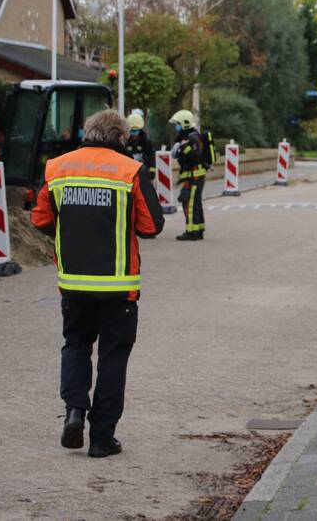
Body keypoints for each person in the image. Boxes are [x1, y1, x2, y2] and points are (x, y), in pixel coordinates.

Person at [30, 109, 165, 457]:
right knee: (112, 358)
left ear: (87, 132)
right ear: (122, 138)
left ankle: (74, 410)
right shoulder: (130, 171)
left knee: (75, 344)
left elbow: (41, 218)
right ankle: (102, 439)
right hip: (118, 286)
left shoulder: (57, 167)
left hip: (73, 283)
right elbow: (151, 227)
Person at [169, 109, 207, 241]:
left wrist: (180, 149)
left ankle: (191, 232)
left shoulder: (193, 138)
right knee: (196, 203)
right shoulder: (192, 137)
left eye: (177, 124)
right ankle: (199, 229)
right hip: (195, 176)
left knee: (190, 204)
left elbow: (193, 156)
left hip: (194, 176)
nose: (176, 127)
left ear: (184, 124)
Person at [125, 112, 156, 181]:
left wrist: (152, 171)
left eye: (136, 131)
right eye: (132, 131)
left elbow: (151, 156)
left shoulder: (146, 142)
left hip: (143, 173)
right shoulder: (125, 142)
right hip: (128, 174)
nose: (134, 134)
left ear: (140, 130)